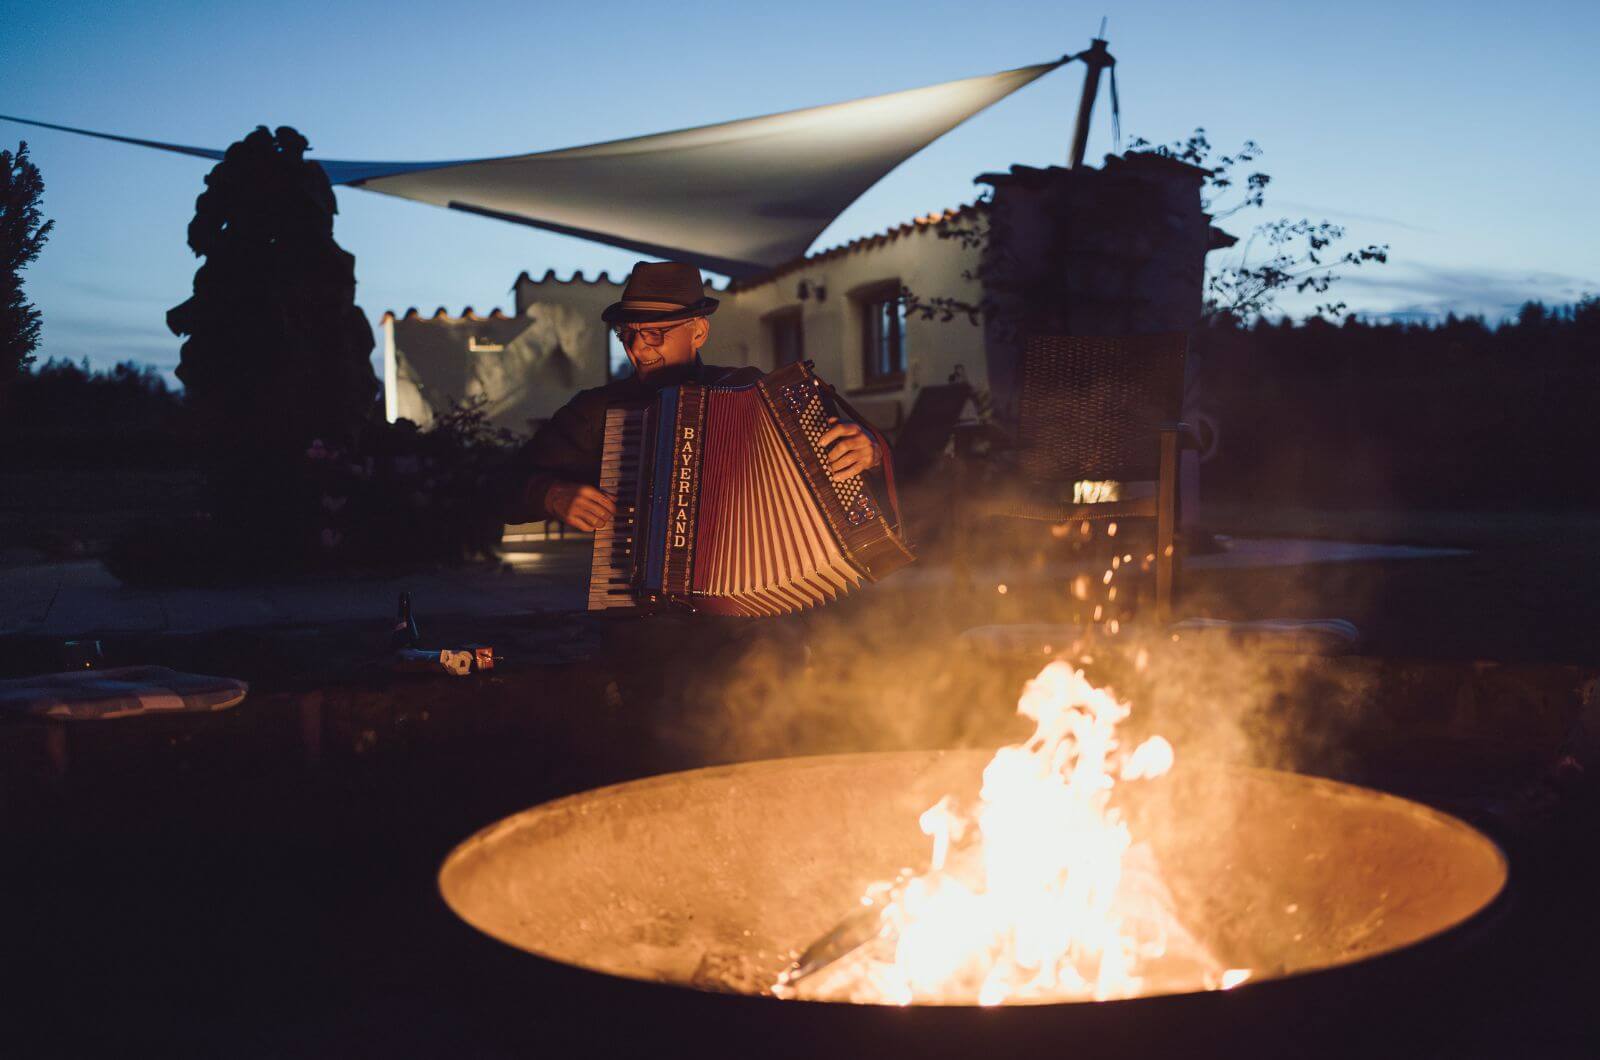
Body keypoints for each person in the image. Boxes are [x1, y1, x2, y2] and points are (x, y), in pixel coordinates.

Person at [506, 260, 883, 532]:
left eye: (655, 333)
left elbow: (849, 461)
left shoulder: (753, 389)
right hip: (646, 615)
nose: (638, 349)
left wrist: (869, 450)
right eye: (628, 333)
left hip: (758, 605)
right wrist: (551, 494)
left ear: (699, 332)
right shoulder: (598, 411)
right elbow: (498, 486)